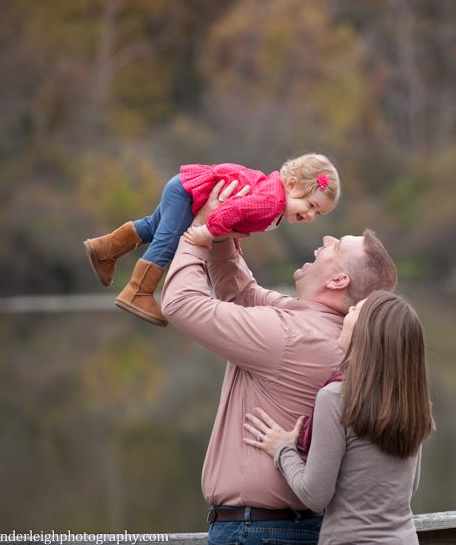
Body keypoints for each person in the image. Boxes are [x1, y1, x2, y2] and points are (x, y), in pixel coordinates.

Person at [159, 179, 398, 545]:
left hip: (256, 532)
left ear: (338, 280)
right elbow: (242, 295)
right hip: (279, 528)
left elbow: (181, 303)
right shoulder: (313, 326)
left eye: (336, 246)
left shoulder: (293, 335)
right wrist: (222, 229)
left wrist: (196, 237)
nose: (325, 240)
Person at [243, 290, 433, 544]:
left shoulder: (336, 398)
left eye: (356, 311)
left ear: (367, 334)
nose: (348, 311)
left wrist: (283, 450)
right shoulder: (415, 404)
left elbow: (315, 495)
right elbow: (409, 486)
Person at [83, 153, 340, 326]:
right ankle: (138, 292)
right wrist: (206, 233)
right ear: (292, 184)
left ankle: (103, 249)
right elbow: (232, 210)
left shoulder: (272, 196)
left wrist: (229, 237)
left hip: (185, 187)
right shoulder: (272, 201)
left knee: (153, 227)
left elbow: (238, 214)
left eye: (318, 212)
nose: (310, 215)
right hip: (190, 194)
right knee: (168, 242)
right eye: (310, 205)